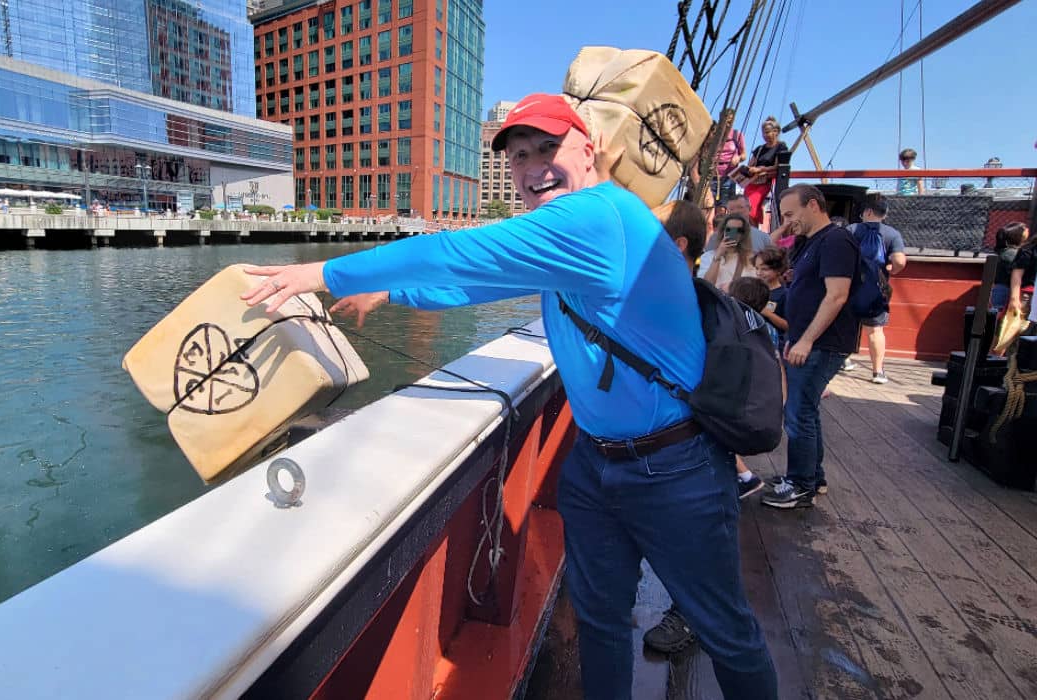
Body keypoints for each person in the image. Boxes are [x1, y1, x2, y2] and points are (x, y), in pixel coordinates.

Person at [243, 92, 778, 699]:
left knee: (725, 630)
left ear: (590, 147)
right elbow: (477, 280)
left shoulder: (601, 217)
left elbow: (458, 250)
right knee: (601, 622)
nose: (530, 168)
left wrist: (321, 273)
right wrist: (394, 295)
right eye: (519, 155)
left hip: (674, 469)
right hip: (597, 465)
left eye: (547, 148)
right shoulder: (573, 240)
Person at [762, 185, 858, 509]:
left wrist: (805, 339)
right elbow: (771, 246)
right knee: (806, 410)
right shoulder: (810, 242)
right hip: (805, 339)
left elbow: (837, 295)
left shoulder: (835, 241)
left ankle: (800, 484)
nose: (788, 222)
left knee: (798, 412)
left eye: (791, 214)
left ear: (813, 205)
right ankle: (811, 477)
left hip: (820, 344)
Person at [844, 194, 907, 384]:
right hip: (876, 287)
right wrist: (891, 269)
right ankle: (877, 372)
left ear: (868, 211)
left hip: (851, 286)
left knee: (847, 325)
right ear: (884, 213)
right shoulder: (892, 234)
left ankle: (845, 360)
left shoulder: (852, 229)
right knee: (875, 330)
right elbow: (899, 261)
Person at [742, 117, 789, 227]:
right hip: (753, 182)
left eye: (767, 132)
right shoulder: (759, 149)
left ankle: (754, 233)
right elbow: (750, 164)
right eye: (763, 133)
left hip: (765, 181)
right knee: (745, 206)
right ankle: (751, 231)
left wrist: (760, 169)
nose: (765, 135)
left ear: (776, 132)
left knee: (753, 205)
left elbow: (777, 166)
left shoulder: (780, 146)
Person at [699, 213, 759, 293]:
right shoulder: (708, 257)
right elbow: (706, 286)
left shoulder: (751, 258)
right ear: (723, 231)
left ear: (743, 234)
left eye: (739, 230)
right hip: (716, 303)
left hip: (739, 303)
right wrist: (717, 257)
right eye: (729, 230)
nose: (734, 233)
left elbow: (755, 288)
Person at [706, 195, 773, 253]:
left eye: (740, 207)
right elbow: (708, 261)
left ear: (749, 209)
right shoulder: (716, 237)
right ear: (727, 212)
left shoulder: (763, 238)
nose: (736, 211)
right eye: (732, 209)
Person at [754, 246, 790, 353]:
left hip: (774, 347)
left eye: (764, 269)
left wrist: (768, 314)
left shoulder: (784, 294)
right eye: (756, 268)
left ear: (778, 270)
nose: (759, 273)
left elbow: (788, 326)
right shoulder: (754, 289)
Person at [993, 222, 1029, 309]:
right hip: (1006, 289)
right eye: (1024, 229)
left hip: (1002, 289)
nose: (1027, 230)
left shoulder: (1005, 251)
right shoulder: (1012, 254)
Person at [1008, 224, 1037, 318]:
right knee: (1019, 327)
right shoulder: (1029, 250)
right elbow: (1017, 274)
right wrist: (1014, 298)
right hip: (1028, 295)